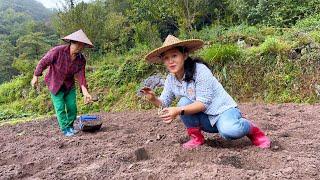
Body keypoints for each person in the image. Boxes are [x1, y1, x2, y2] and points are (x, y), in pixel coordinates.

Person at [141, 35, 271, 149]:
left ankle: (251, 129)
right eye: (166, 58)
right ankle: (196, 138)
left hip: (222, 111)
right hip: (206, 119)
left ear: (184, 55)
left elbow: (203, 104)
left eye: (174, 55)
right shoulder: (170, 79)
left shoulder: (200, 70)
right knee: (183, 102)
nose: (170, 61)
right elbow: (164, 104)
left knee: (229, 131)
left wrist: (177, 110)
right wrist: (153, 99)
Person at [31, 29, 93, 137]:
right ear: (72, 43)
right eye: (78, 45)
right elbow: (43, 62)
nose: (80, 48)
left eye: (82, 46)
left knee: (72, 107)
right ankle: (65, 128)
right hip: (55, 83)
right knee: (60, 107)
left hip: (69, 85)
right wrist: (36, 76)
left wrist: (86, 93)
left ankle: (70, 126)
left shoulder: (81, 60)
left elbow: (81, 76)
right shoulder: (57, 51)